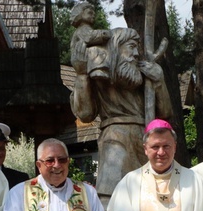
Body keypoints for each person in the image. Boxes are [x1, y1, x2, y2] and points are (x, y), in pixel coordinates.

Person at [71, 27, 173, 197]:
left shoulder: (144, 76)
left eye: (137, 48)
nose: (135, 54)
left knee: (151, 196)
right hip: (115, 139)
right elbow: (85, 114)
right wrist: (82, 75)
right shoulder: (100, 74)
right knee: (111, 195)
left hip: (146, 140)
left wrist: (160, 82)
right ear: (116, 47)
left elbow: (165, 114)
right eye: (131, 47)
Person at [70, 2, 111, 80]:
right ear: (80, 14)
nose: (93, 15)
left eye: (93, 14)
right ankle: (97, 70)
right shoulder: (82, 29)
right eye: (90, 13)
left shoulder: (86, 28)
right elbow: (90, 37)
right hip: (80, 58)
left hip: (82, 57)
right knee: (96, 50)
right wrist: (103, 34)